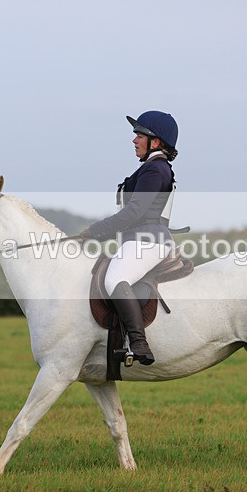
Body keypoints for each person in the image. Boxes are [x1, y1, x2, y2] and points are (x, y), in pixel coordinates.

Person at [80, 111, 179, 365]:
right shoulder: (151, 168)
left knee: (115, 279)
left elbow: (134, 212)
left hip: (148, 241)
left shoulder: (155, 169)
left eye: (140, 135)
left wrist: (96, 231)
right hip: (139, 239)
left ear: (155, 142)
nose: (134, 140)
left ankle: (138, 343)